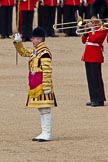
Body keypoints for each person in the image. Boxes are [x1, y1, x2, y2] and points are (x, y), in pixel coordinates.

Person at [13, 27, 57, 142]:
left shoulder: (45, 52)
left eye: (33, 38)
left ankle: (47, 133)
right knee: (41, 109)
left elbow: (47, 70)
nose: (32, 40)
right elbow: (23, 52)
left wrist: (47, 86)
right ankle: (44, 132)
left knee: (45, 109)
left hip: (42, 83)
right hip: (36, 82)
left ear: (39, 39)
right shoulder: (36, 50)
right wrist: (18, 43)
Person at [81, 17, 108, 107]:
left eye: (92, 21)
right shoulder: (93, 29)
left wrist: (91, 29)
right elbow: (84, 41)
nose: (90, 23)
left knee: (96, 78)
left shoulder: (102, 29)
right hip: (88, 55)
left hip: (95, 56)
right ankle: (93, 98)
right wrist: (85, 31)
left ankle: (99, 99)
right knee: (90, 79)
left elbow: (95, 39)